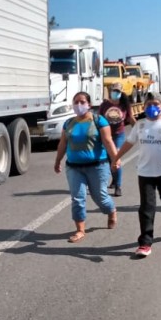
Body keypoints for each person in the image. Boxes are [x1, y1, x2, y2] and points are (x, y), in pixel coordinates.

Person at [113, 92, 161, 257]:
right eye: (148, 105)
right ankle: (145, 242)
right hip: (145, 173)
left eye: (156, 105)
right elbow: (129, 143)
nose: (152, 108)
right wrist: (116, 158)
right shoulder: (140, 125)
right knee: (146, 207)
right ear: (143, 107)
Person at [54, 91, 119, 243]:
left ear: (89, 104)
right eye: (75, 102)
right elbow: (63, 143)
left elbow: (108, 141)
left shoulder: (99, 120)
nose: (79, 105)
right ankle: (80, 230)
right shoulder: (69, 123)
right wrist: (58, 160)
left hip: (97, 166)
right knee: (77, 198)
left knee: (100, 197)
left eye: (82, 102)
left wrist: (116, 159)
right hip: (74, 167)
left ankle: (111, 211)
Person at [98, 83, 135, 196]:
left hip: (119, 134)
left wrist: (139, 131)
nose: (116, 93)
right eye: (114, 91)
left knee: (116, 157)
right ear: (110, 91)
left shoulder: (125, 104)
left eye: (118, 91)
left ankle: (118, 186)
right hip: (105, 135)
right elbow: (99, 119)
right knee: (108, 159)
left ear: (121, 92)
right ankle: (114, 179)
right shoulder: (105, 104)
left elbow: (130, 118)